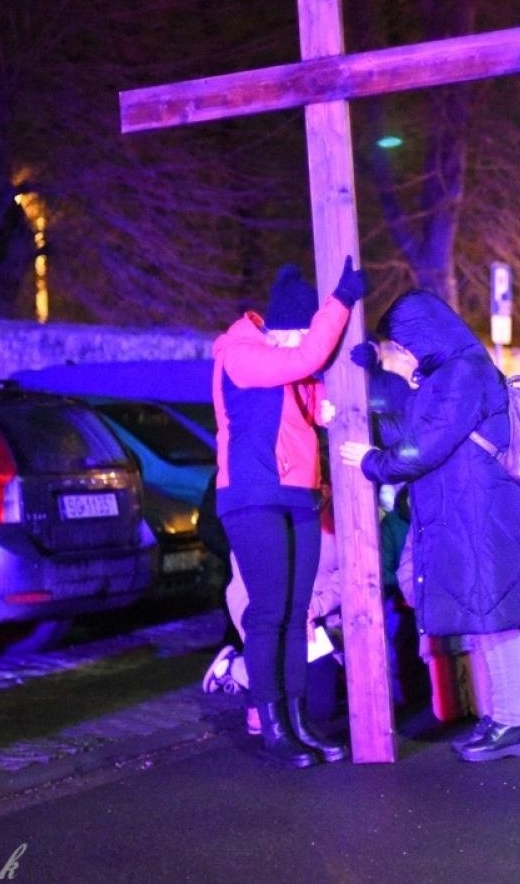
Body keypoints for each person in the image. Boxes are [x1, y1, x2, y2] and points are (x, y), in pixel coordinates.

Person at [339, 290, 520, 762]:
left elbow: (423, 445)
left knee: (494, 618)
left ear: (423, 337)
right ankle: (502, 718)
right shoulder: (452, 372)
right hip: (468, 511)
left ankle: (513, 723)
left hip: (479, 514)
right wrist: (372, 379)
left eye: (402, 347)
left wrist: (374, 464)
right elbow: (416, 426)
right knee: (481, 613)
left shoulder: (462, 373)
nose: (401, 356)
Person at [213, 259, 365, 769]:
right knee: (269, 613)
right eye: (298, 332)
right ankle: (273, 725)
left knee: (295, 617)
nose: (304, 343)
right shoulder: (239, 354)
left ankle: (299, 723)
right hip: (252, 496)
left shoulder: (289, 362)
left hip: (300, 495)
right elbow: (305, 357)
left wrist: (339, 391)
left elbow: (310, 385)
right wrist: (340, 301)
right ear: (279, 328)